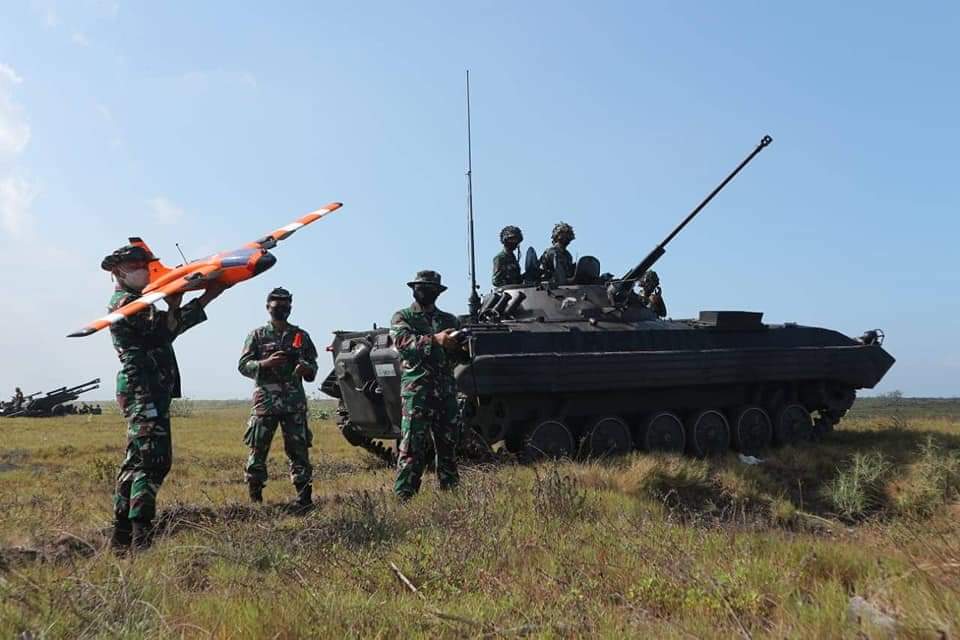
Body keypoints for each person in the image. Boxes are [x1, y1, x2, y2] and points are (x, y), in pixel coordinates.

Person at [101, 242, 225, 550]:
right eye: (136, 266)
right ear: (118, 271)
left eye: (145, 265)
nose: (144, 271)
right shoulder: (128, 304)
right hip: (144, 390)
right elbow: (164, 332)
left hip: (147, 389)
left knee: (136, 460)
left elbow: (168, 328)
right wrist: (181, 301)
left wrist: (206, 296)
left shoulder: (138, 301)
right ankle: (140, 536)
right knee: (153, 462)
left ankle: (121, 537)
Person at [390, 270, 469, 500]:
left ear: (438, 292)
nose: (425, 292)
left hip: (445, 391)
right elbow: (403, 344)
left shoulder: (449, 320)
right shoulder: (403, 317)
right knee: (411, 448)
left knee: (448, 447)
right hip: (417, 392)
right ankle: (404, 497)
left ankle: (450, 495)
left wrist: (462, 346)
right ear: (414, 290)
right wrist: (436, 339)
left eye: (431, 289)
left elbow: (461, 358)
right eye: (422, 288)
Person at [238, 287, 319, 507]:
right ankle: (255, 498)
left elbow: (313, 366)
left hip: (294, 403)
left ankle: (304, 498)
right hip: (266, 403)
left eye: (286, 305)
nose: (282, 309)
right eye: (277, 305)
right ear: (268, 307)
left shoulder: (300, 336)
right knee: (258, 450)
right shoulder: (257, 335)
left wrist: (306, 369)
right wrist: (265, 363)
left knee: (299, 451)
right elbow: (243, 365)